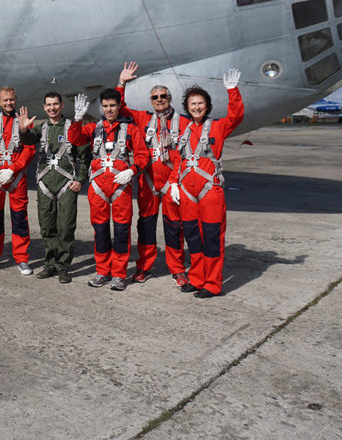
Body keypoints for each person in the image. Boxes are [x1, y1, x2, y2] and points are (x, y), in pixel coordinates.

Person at [68, 89, 149, 291]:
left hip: (121, 186)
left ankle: (120, 274)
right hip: (98, 187)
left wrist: (132, 170)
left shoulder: (130, 129)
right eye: (105, 106)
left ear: (119, 106)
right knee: (101, 231)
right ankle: (103, 271)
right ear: (102, 107)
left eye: (112, 105)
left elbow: (142, 156)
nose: (109, 109)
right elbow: (75, 140)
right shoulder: (94, 128)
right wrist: (77, 120)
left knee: (121, 232)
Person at [116, 62, 186, 287]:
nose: (159, 100)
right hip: (148, 183)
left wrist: (176, 182)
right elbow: (121, 108)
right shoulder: (144, 120)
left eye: (163, 96)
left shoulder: (182, 122)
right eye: (155, 97)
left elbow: (187, 154)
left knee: (174, 228)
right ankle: (144, 267)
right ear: (150, 100)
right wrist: (121, 84)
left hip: (172, 184)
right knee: (145, 227)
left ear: (170, 97)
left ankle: (177, 269)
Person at [175, 69, 244, 299]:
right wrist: (175, 184)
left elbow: (236, 116)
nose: (196, 107)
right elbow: (177, 158)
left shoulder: (218, 127)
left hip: (210, 191)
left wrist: (233, 91)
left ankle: (213, 284)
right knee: (193, 239)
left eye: (200, 103)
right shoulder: (183, 129)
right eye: (193, 103)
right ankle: (196, 278)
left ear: (207, 105)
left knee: (212, 238)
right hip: (187, 192)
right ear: (187, 106)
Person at [17, 92, 90, 284]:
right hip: (45, 183)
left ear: (61, 105)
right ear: (44, 107)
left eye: (55, 104)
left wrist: (81, 180)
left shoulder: (72, 129)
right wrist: (23, 130)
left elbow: (84, 156)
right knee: (47, 227)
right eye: (48, 105)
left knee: (65, 227)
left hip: (67, 183)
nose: (52, 108)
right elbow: (27, 141)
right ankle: (50, 264)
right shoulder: (41, 128)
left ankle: (63, 266)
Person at [0, 87, 36, 275]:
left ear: (16, 100)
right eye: (5, 100)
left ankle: (22, 258)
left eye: (11, 100)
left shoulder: (24, 122)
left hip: (16, 176)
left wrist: (13, 169)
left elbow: (29, 149)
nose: (9, 103)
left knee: (19, 218)